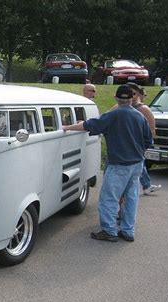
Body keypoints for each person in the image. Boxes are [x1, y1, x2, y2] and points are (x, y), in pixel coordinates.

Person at [63, 85, 152, 242]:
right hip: (137, 164)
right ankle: (128, 230)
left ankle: (109, 230)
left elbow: (89, 125)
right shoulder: (139, 116)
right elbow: (148, 140)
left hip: (119, 164)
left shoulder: (113, 115)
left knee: (109, 198)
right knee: (131, 198)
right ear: (131, 98)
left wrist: (68, 127)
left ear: (116, 98)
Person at [125, 82, 162, 195]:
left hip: (138, 143)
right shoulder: (121, 106)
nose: (131, 96)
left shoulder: (144, 109)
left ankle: (146, 186)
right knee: (139, 164)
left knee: (139, 163)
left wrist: (145, 144)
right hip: (125, 142)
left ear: (138, 95)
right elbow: (107, 115)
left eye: (133, 93)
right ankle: (146, 186)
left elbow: (151, 129)